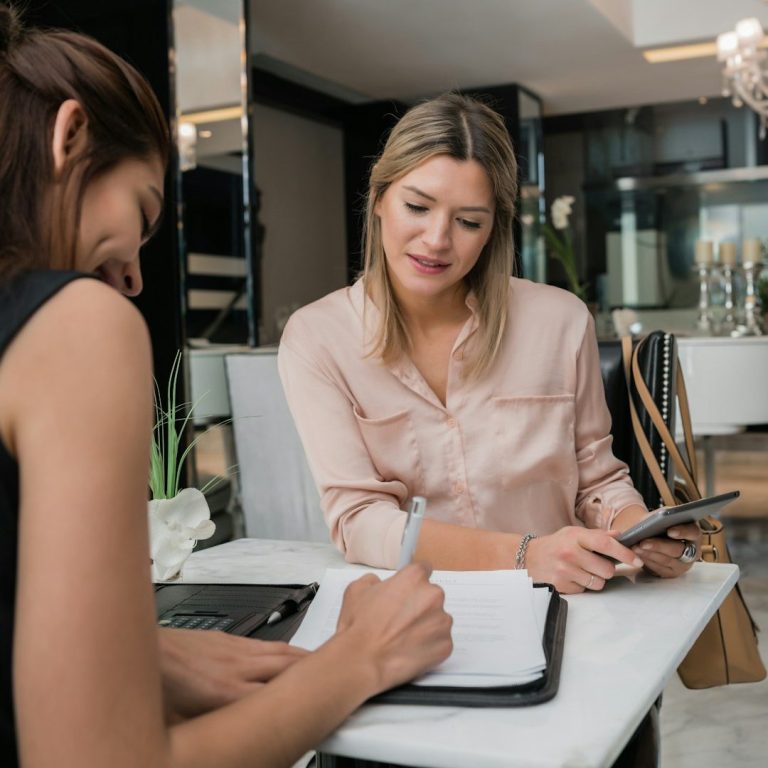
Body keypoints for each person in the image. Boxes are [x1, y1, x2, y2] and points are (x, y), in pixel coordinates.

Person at [0, 6, 452, 767]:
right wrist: (360, 660)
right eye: (141, 212)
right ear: (68, 136)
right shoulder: (78, 326)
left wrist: (142, 653)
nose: (135, 277)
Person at [278, 92, 702, 593]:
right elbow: (360, 523)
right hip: (411, 607)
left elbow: (597, 480)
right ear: (377, 199)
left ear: (491, 230)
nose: (437, 239)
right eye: (417, 206)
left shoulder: (560, 321)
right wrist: (527, 555)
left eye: (468, 221)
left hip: (564, 601)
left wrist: (639, 530)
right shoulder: (318, 338)